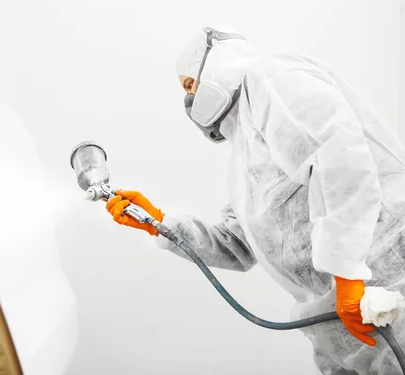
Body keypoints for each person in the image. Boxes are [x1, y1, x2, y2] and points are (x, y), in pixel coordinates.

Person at [105, 25, 405, 374]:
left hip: (384, 291)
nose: (190, 101)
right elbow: (238, 246)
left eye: (190, 85)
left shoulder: (271, 78)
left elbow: (341, 163)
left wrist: (348, 276)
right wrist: (158, 221)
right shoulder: (243, 165)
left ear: (216, 60)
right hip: (339, 329)